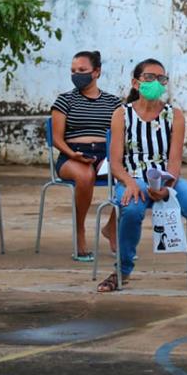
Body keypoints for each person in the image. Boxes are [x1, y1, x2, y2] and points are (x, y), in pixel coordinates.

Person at [97, 59, 187, 292]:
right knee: (131, 210)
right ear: (136, 83)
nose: (156, 83)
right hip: (133, 176)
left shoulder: (175, 116)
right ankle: (122, 270)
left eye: (161, 79)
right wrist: (129, 183)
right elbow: (116, 163)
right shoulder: (122, 114)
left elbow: (174, 161)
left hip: (166, 177)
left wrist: (167, 185)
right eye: (149, 77)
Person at [50, 51, 122, 261]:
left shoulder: (113, 102)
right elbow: (56, 138)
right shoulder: (64, 100)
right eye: (73, 71)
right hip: (71, 155)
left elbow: (121, 134)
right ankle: (80, 232)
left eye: (82, 70)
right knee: (85, 176)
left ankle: (112, 228)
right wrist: (73, 154)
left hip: (105, 154)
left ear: (96, 72)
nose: (76, 75)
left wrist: (114, 157)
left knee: (133, 177)